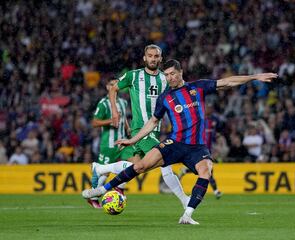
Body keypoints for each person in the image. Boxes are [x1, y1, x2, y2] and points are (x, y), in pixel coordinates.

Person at [82, 59, 277, 224]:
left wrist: (254, 77)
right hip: (174, 143)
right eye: (166, 75)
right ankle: (101, 189)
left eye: (172, 74)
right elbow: (152, 123)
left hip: (196, 147)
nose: (169, 78)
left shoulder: (197, 87)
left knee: (206, 171)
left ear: (181, 72)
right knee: (140, 166)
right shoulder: (165, 98)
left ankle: (187, 214)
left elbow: (227, 82)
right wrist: (132, 139)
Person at [107, 44, 189, 208]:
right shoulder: (134, 76)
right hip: (140, 130)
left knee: (137, 166)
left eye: (156, 56)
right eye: (150, 56)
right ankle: (185, 200)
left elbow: (181, 91)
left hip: (155, 130)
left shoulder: (165, 78)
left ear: (160, 58)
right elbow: (113, 89)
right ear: (144, 58)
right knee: (165, 161)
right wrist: (115, 112)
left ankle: (101, 170)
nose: (153, 59)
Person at [87, 79, 135, 208]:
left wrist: (127, 128)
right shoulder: (103, 104)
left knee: (134, 165)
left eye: (116, 84)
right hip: (108, 144)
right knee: (104, 173)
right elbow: (94, 122)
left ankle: (120, 187)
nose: (115, 86)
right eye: (112, 84)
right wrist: (110, 120)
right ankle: (93, 197)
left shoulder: (123, 102)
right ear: (107, 87)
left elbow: (123, 117)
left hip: (123, 142)